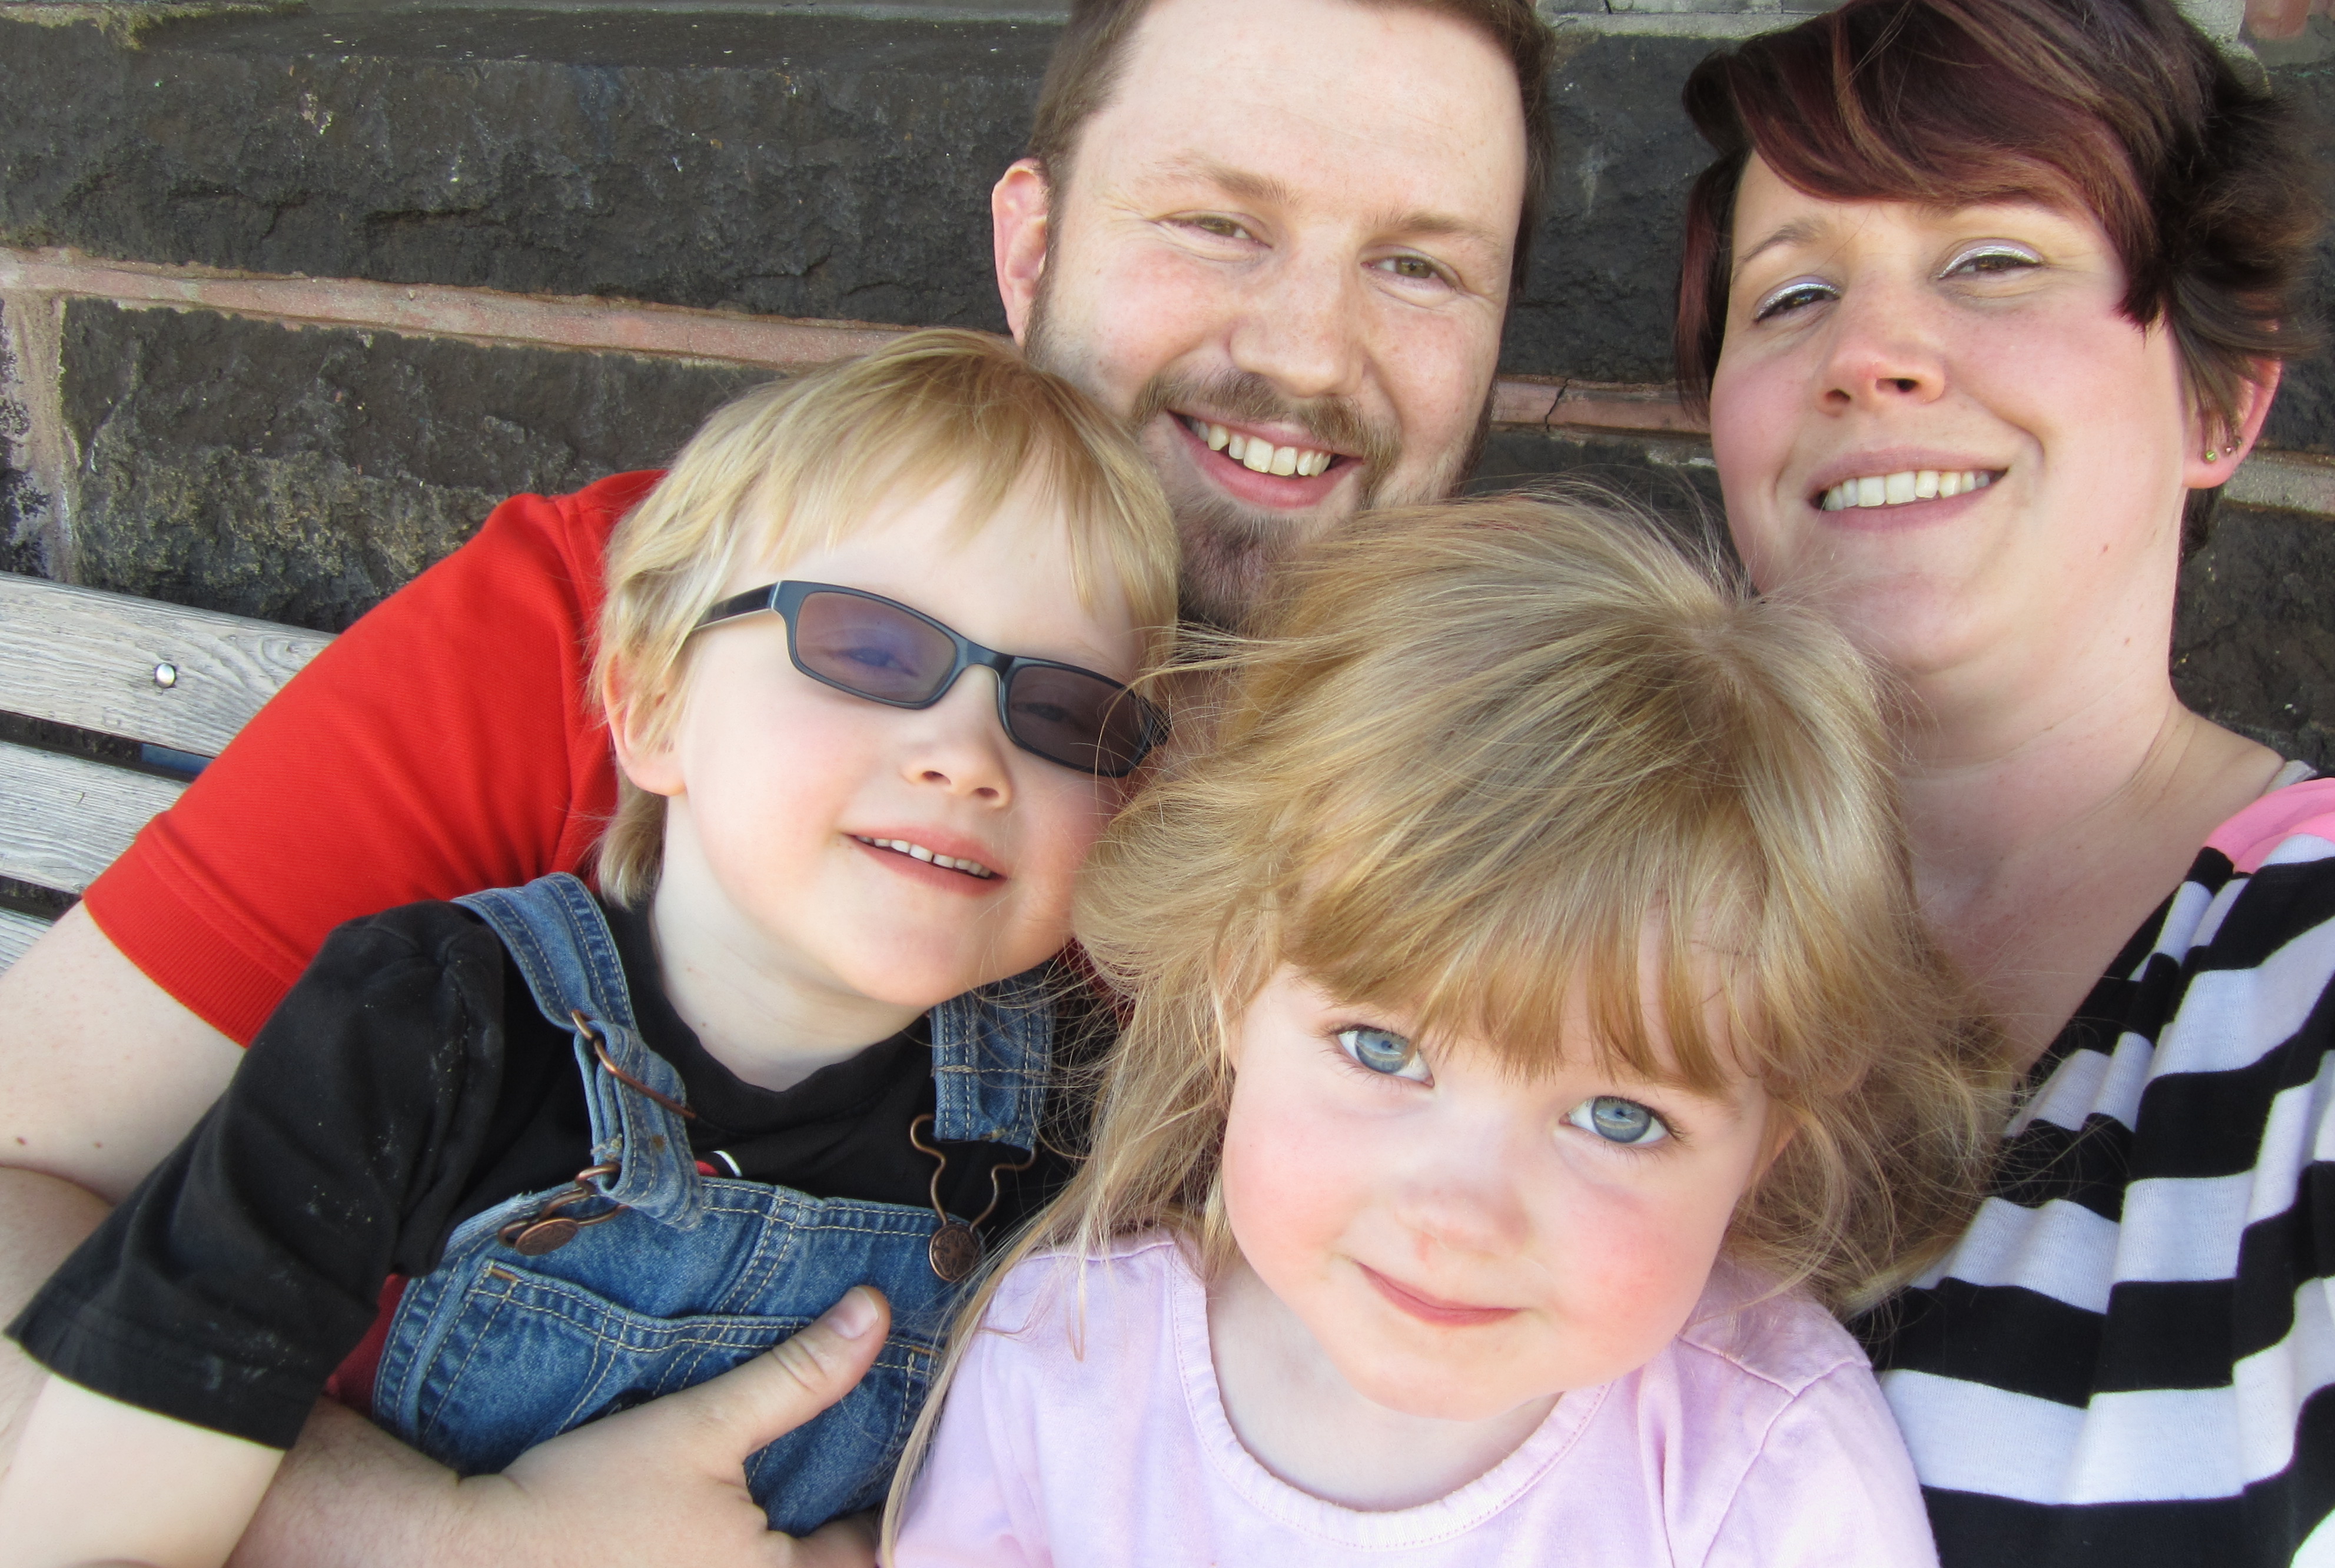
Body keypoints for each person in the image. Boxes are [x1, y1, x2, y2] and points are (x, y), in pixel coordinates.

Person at [0, 2, 1550, 1563]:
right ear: (1033, 245)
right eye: (1218, 223)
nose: (1302, 351)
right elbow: (23, 1165)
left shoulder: (1523, 840)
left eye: (1419, 265)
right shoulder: (635, 631)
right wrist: (455, 1545)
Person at [0, 330, 1180, 1566]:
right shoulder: (420, 1032)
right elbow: (97, 1524)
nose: (970, 758)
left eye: (1064, 713)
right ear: (652, 706)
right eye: (870, 652)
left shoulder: (1070, 1120)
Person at [883, 496, 2012, 1565]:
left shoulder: (1767, 1468)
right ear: (1235, 994)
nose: (1463, 1216)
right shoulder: (1068, 1361)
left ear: (1764, 1147)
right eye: (1383, 1049)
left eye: (1619, 1117)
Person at [1675, 1, 2335, 1562]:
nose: (1866, 359)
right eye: (1792, 295)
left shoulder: (2317, 995)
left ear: (2219, 398)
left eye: (1990, 260)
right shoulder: (1568, 909)